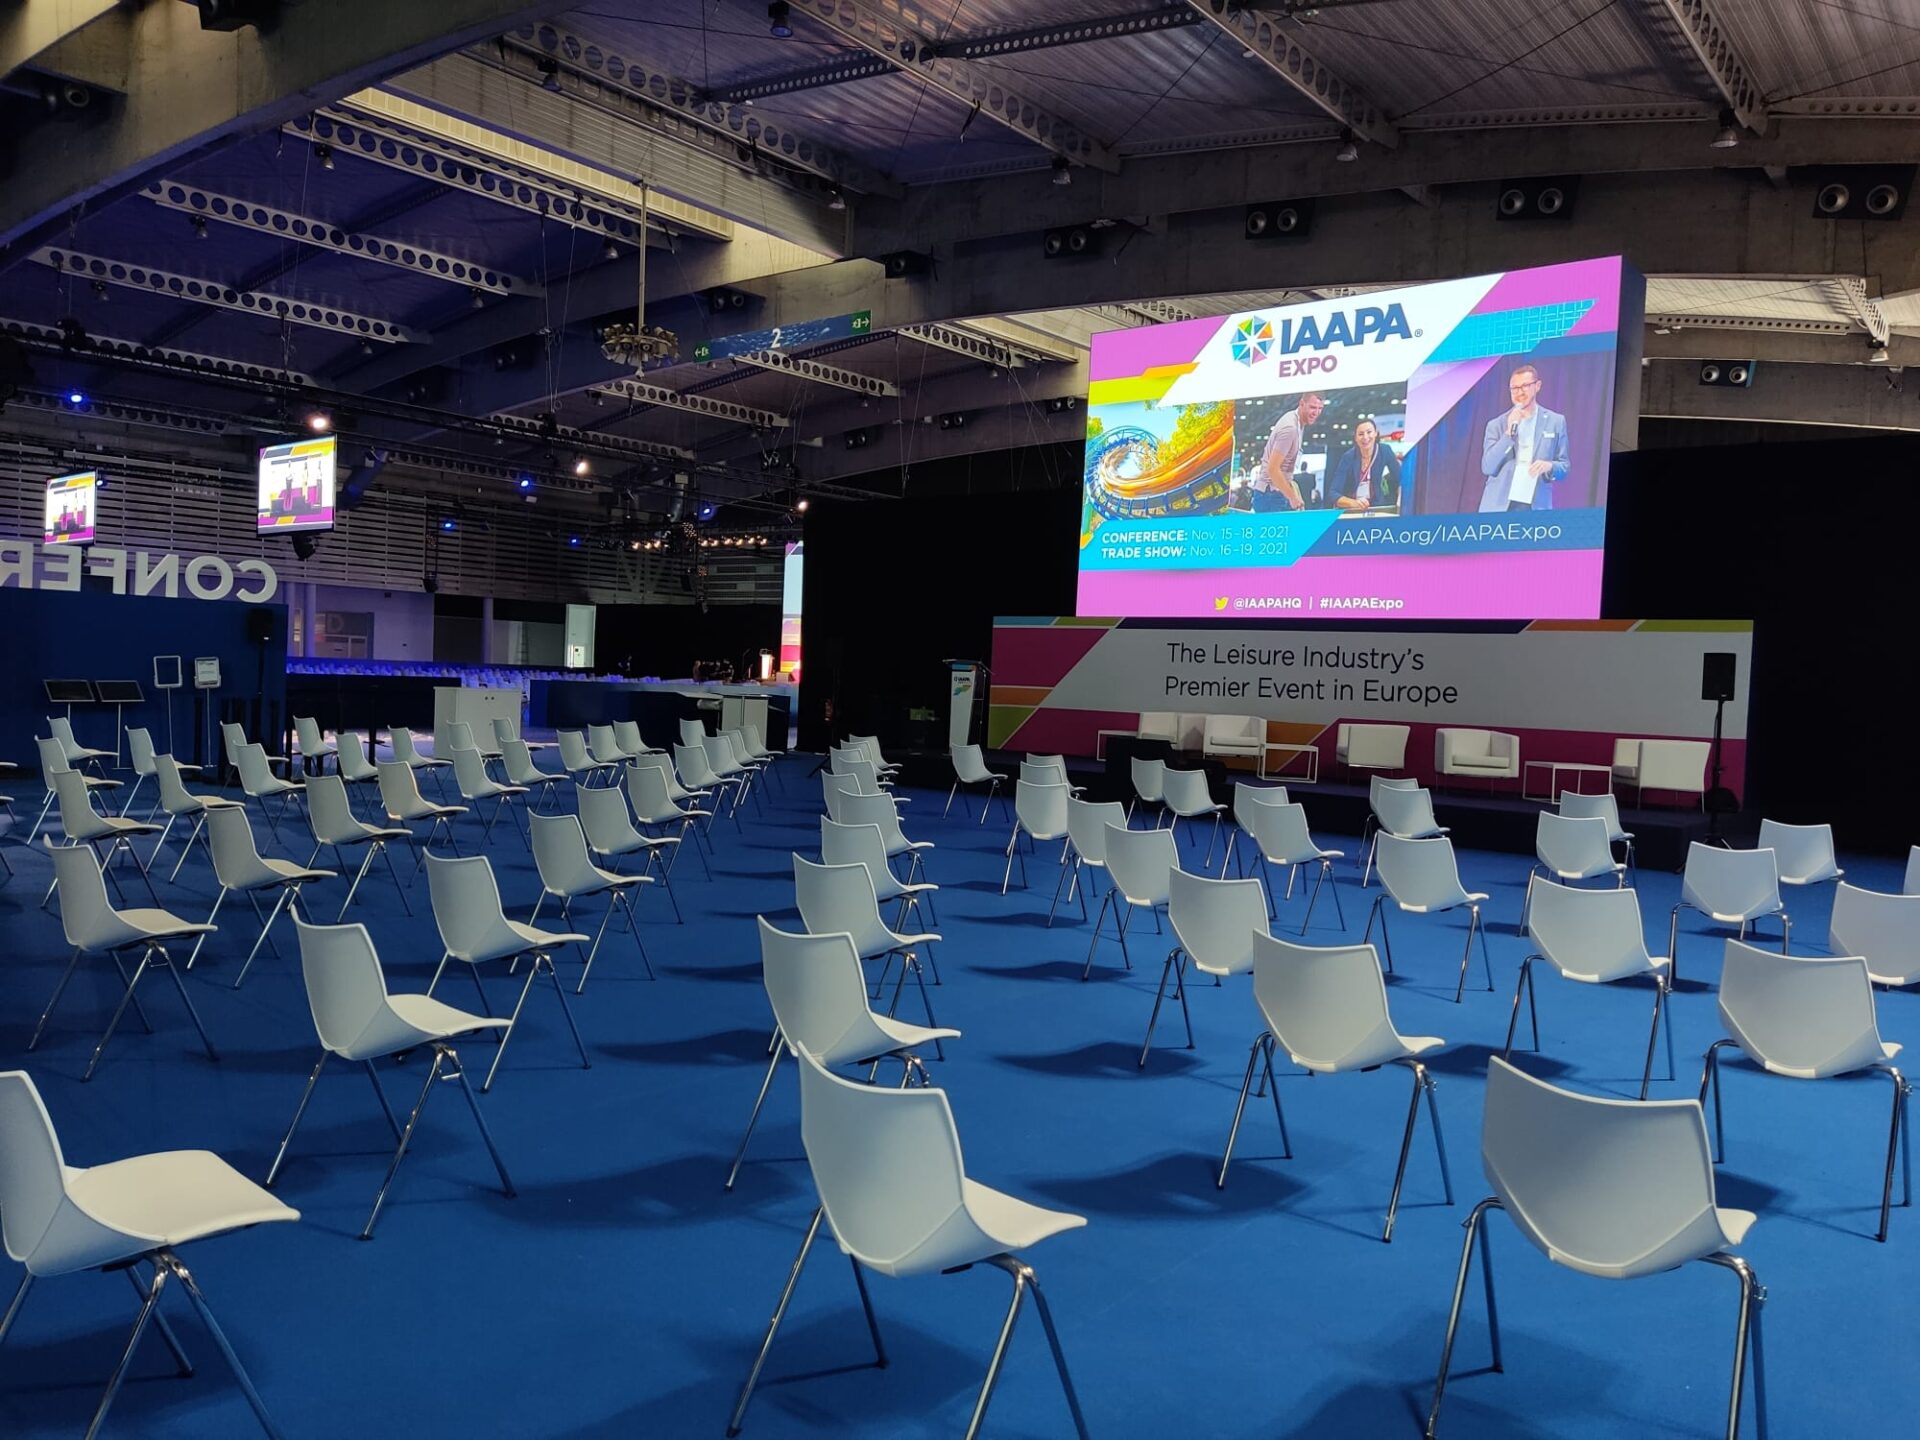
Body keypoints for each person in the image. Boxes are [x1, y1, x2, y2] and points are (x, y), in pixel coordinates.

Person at [1479, 363, 1569, 511]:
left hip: (1536, 505)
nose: (1519, 392)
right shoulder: (1496, 425)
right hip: (1499, 506)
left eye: (1525, 386)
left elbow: (1564, 467)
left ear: (1537, 386)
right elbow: (1488, 467)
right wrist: (1508, 433)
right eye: (1514, 388)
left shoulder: (1556, 421)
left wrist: (1549, 466)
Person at [1250, 392, 1324, 512]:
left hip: (1274, 493)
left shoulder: (1297, 422)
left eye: (1320, 408)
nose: (1316, 412)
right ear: (1301, 403)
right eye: (1312, 407)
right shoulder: (1290, 428)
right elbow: (1272, 469)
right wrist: (1292, 497)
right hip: (1270, 495)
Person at [1330, 417, 1401, 512]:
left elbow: (1401, 479)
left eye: (1369, 432)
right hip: (1353, 509)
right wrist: (1353, 503)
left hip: (1378, 507)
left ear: (1376, 433)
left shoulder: (1384, 451)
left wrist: (1400, 497)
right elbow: (1333, 493)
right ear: (1355, 438)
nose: (1365, 437)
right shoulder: (1348, 457)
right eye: (1361, 434)